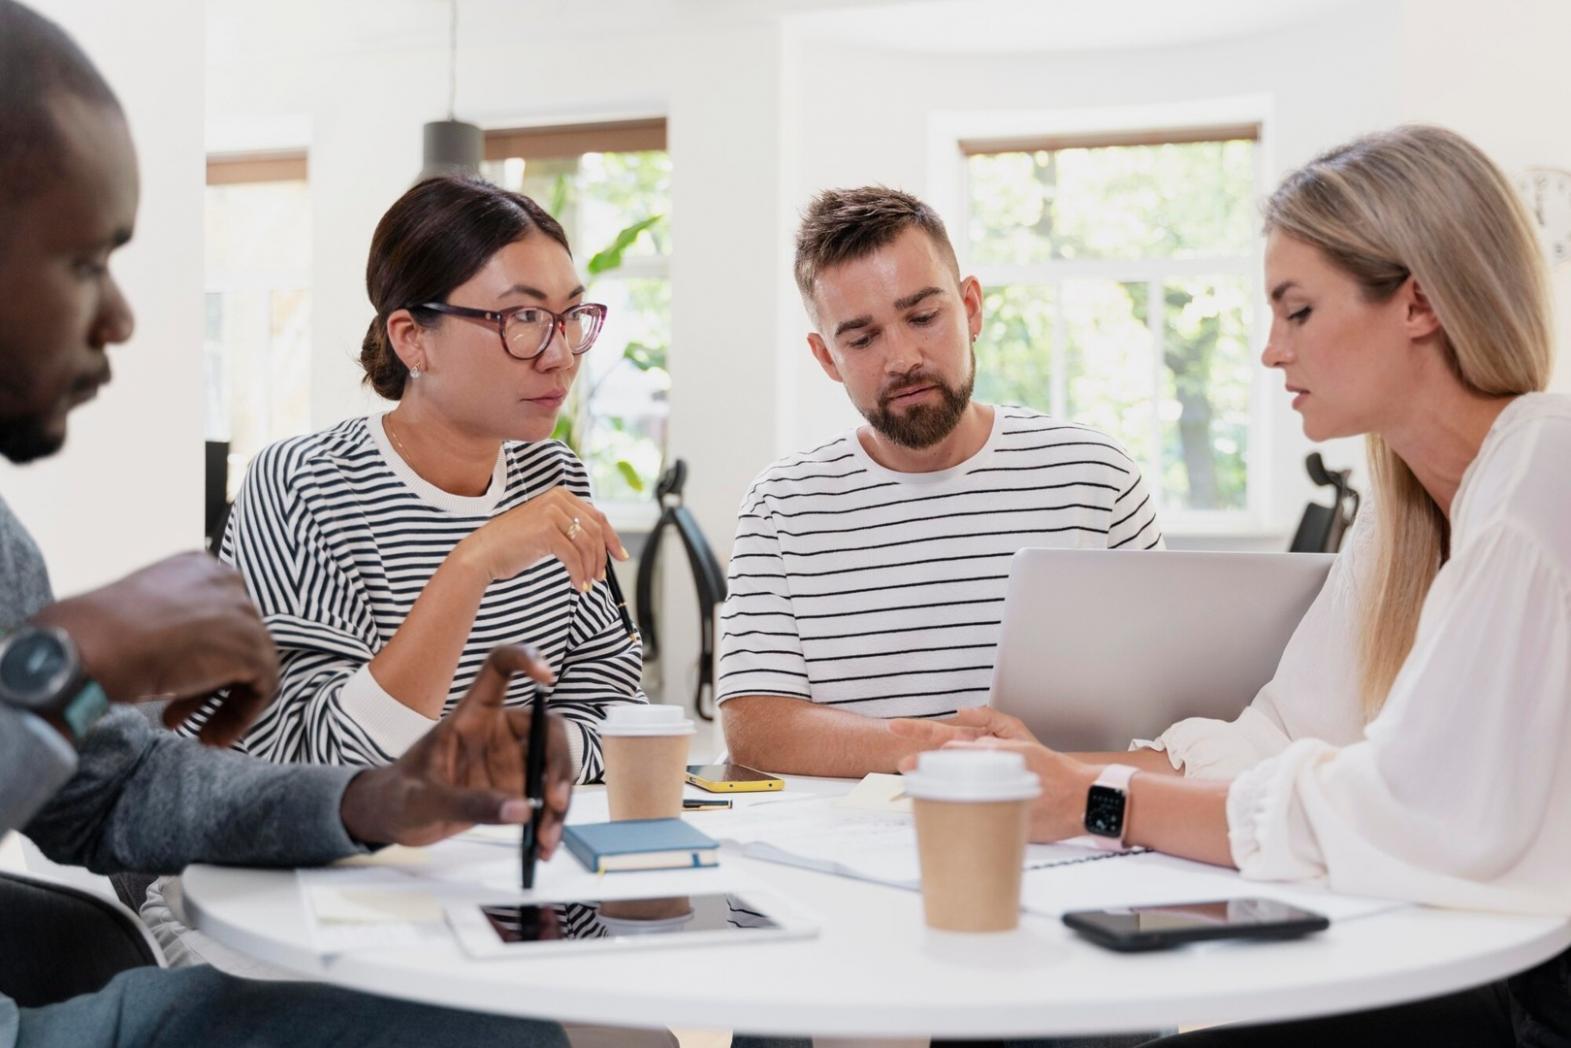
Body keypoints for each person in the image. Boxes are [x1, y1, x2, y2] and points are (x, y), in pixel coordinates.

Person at [898, 126, 1571, 1045]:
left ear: (1416, 302)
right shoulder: (1401, 514)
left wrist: (1096, 803)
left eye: (1296, 312)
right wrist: (1056, 773)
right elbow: (1280, 737)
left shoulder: (1541, 470)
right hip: (1463, 964)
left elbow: (1409, 812)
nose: (1267, 352)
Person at [0, 3, 574, 1044]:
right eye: (86, 263)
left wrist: (373, 801)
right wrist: (69, 658)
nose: (123, 316)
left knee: (516, 1034)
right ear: (414, 338)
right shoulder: (301, 480)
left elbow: (112, 795)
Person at [199, 175, 644, 782]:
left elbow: (614, 713)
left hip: (494, 854)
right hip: (323, 869)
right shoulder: (304, 484)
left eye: (569, 317)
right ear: (413, 339)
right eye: (524, 317)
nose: (560, 353)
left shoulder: (553, 476)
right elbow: (307, 762)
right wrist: (472, 565)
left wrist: (477, 758)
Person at [717, 186, 1164, 779]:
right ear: (827, 358)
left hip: (1059, 833)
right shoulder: (782, 506)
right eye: (862, 337)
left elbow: (1167, 710)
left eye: (923, 317)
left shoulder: (1095, 476)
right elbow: (755, 727)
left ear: (971, 307)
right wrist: (939, 753)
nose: (902, 357)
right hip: (853, 849)